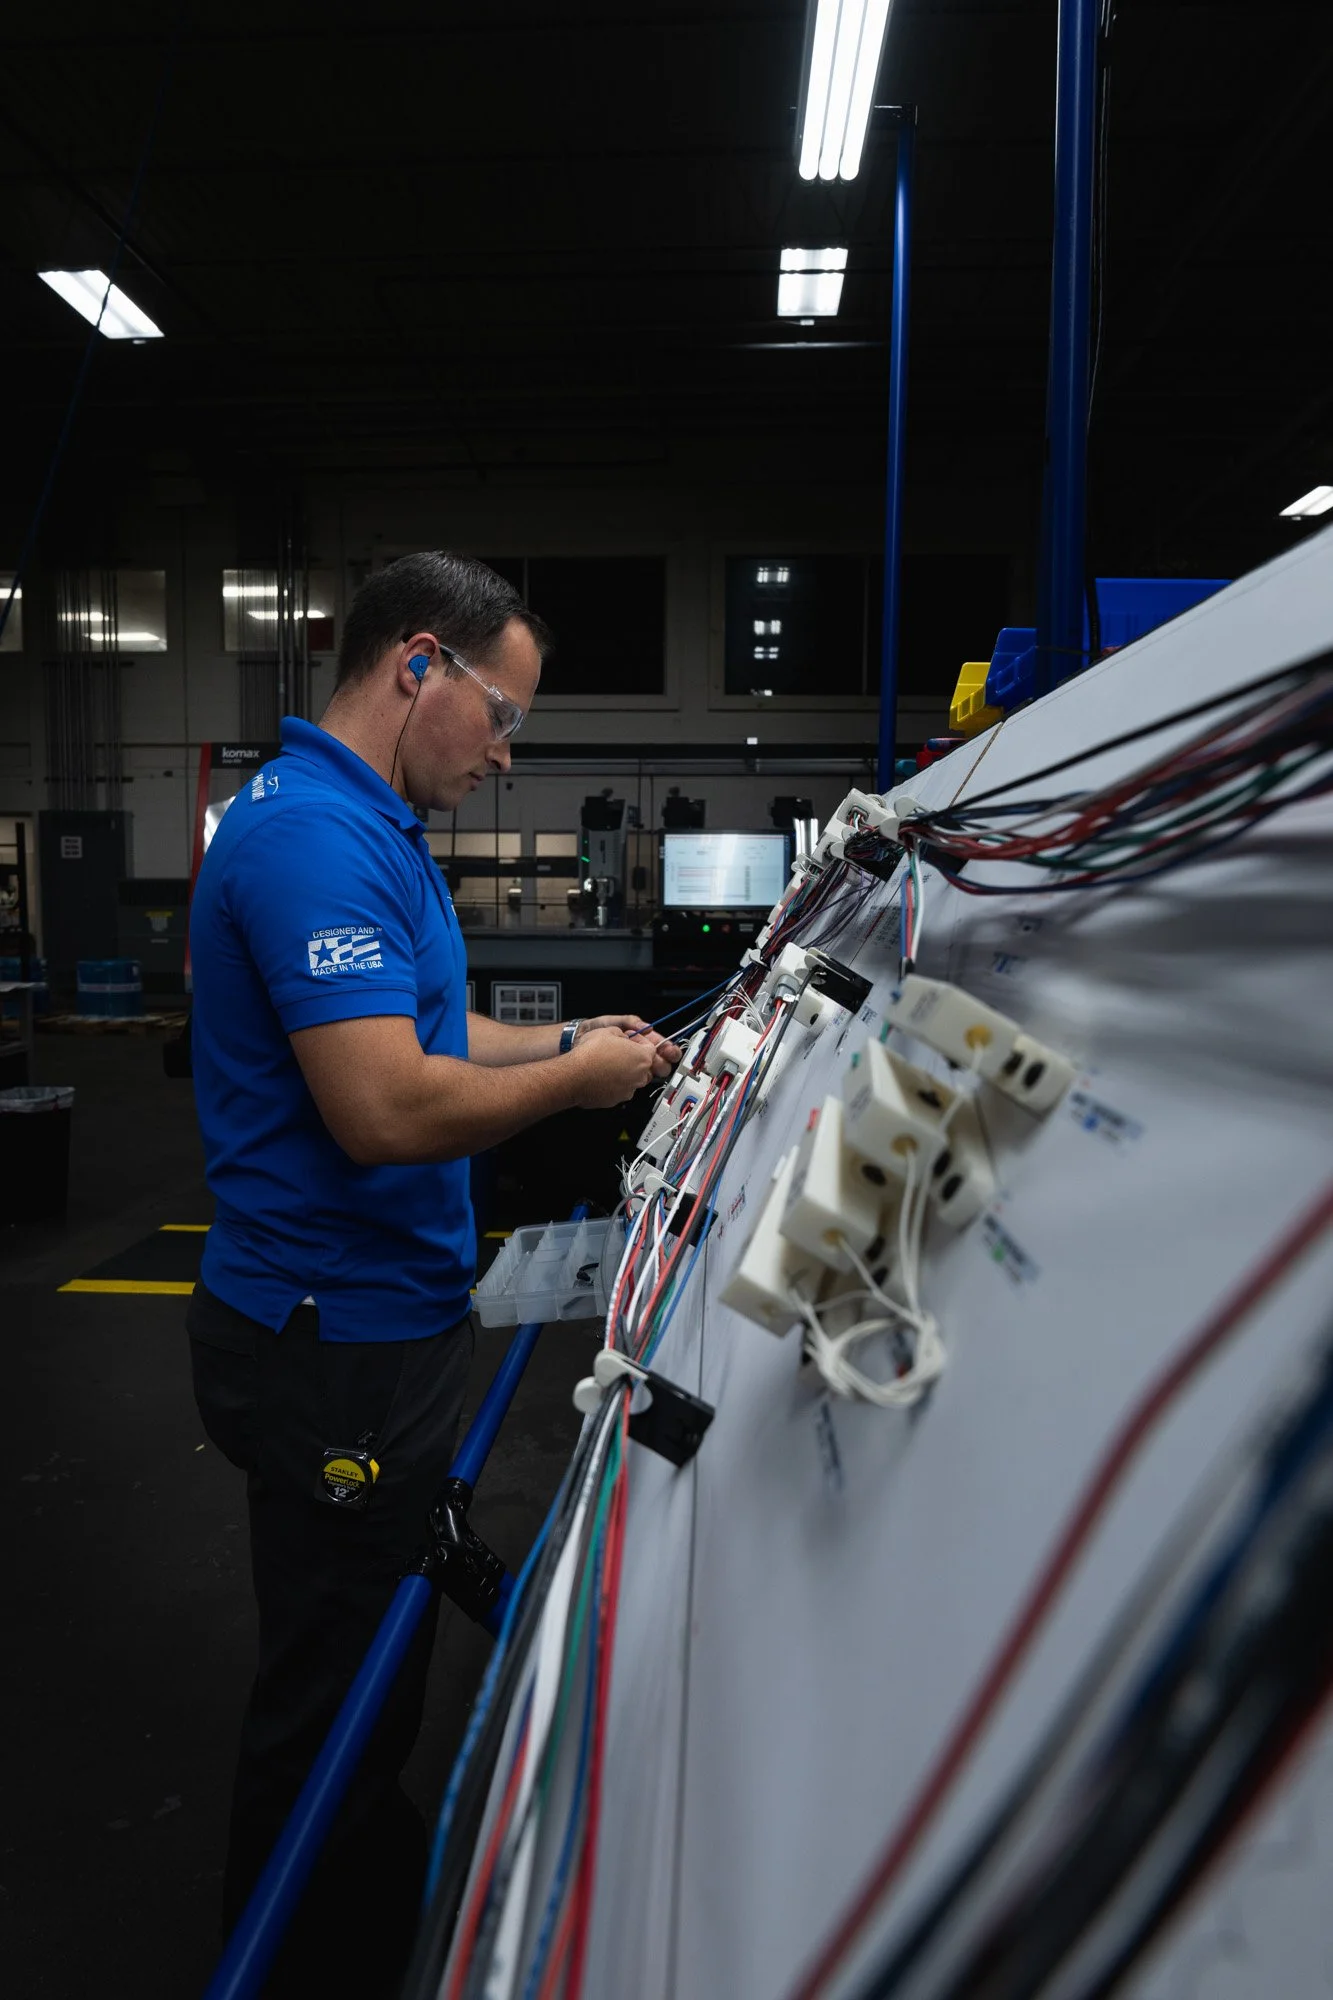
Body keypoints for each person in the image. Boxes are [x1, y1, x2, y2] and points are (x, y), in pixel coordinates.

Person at [187, 552, 677, 1996]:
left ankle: (362, 1901)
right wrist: (577, 1086)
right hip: (328, 1340)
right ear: (418, 666)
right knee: (332, 1691)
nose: (507, 753)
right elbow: (387, 1107)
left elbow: (435, 1040)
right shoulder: (309, 841)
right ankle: (294, 1953)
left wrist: (584, 1039)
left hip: (377, 1325)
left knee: (370, 1665)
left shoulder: (372, 825)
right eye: (502, 715)